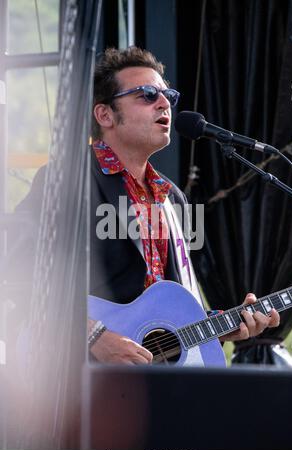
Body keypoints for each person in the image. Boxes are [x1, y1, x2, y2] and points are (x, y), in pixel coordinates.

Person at [87, 46, 280, 365]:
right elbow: (20, 277)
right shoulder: (71, 180)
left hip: (157, 390)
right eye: (147, 94)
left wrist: (227, 324)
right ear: (105, 114)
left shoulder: (172, 198)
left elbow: (165, 314)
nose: (164, 103)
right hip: (80, 383)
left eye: (169, 96)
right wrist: (92, 335)